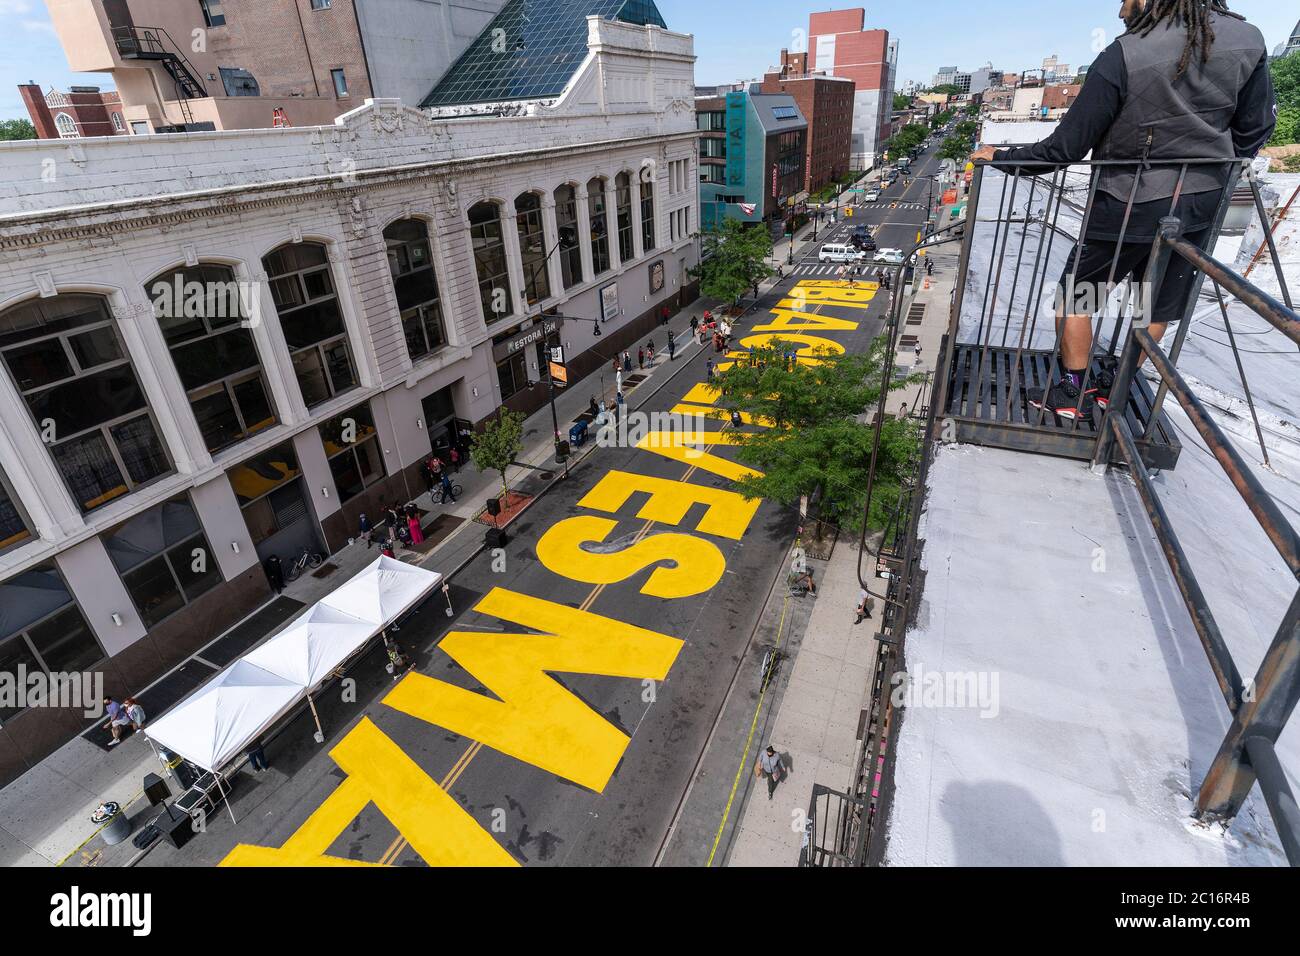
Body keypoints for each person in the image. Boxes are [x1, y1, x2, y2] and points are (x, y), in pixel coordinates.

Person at [971, 0, 1275, 420]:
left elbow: (1063, 149)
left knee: (1077, 298)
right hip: (1199, 204)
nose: (1120, 10)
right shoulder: (1250, 39)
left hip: (1126, 204)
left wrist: (1000, 157)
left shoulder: (1126, 52)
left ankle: (1073, 391)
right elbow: (1255, 129)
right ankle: (1117, 387)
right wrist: (1212, 171)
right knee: (1154, 305)